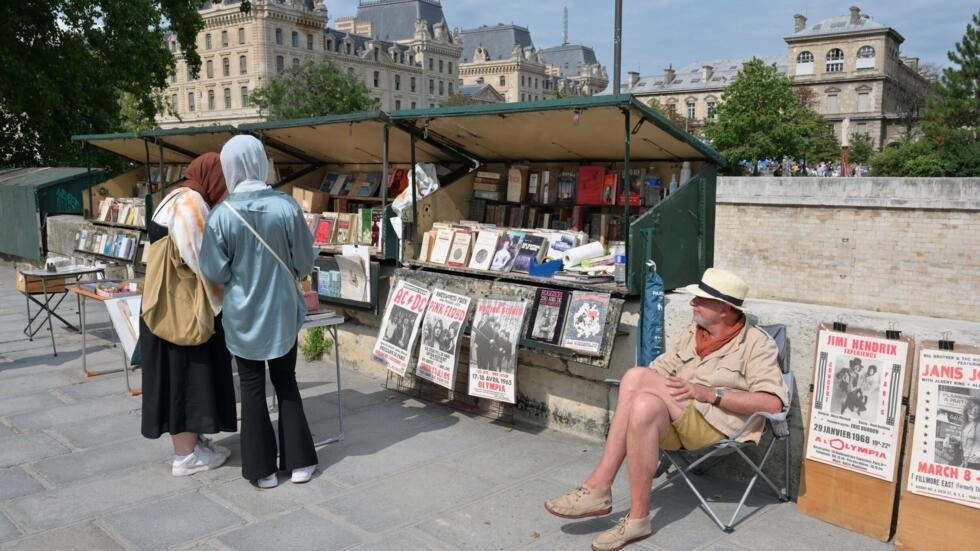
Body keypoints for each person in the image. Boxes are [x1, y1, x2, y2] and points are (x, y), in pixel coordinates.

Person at [544, 268, 788, 551]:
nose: (691, 303)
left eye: (700, 299)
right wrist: (648, 386)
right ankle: (638, 519)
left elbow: (773, 403)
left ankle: (600, 485)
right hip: (676, 419)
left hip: (715, 426)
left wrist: (709, 394)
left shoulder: (756, 344)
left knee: (636, 377)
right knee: (644, 403)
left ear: (724, 309)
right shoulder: (692, 334)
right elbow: (659, 371)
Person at [200, 135, 318, 489]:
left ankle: (261, 470)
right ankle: (299, 463)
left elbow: (214, 271)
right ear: (260, 161)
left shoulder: (221, 215)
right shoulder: (286, 206)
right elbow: (304, 261)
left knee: (251, 389)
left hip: (242, 315)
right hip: (282, 309)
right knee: (287, 381)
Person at [140, 152, 237, 477]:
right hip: (182, 313)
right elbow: (203, 261)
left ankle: (194, 444)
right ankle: (185, 456)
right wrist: (226, 297)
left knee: (181, 378)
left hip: (166, 308)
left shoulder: (173, 196)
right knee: (184, 381)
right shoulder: (191, 204)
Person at [960, 398, 980, 469]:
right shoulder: (966, 424)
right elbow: (967, 439)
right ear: (967, 409)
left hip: (976, 463)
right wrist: (950, 438)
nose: (973, 411)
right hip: (966, 461)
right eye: (971, 408)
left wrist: (978, 454)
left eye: (977, 410)